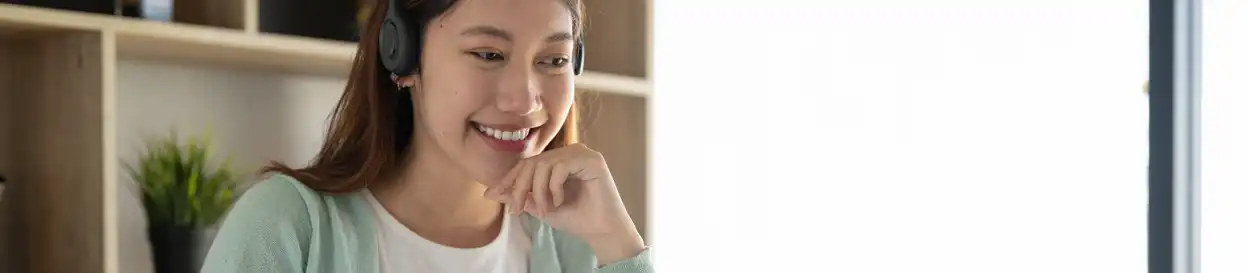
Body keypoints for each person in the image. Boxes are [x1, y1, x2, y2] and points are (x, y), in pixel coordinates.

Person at [199, 0, 652, 272]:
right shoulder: (288, 229)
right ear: (403, 56)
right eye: (489, 53)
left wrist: (619, 245)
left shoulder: (576, 246)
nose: (525, 100)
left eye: (553, 60)